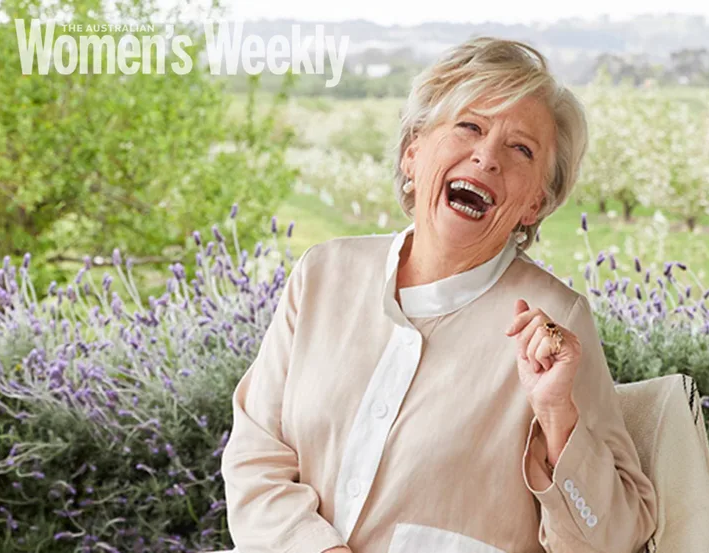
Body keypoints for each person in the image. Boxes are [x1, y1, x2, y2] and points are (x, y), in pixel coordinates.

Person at [220, 36, 658, 553]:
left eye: (521, 149)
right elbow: (254, 454)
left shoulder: (556, 323)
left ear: (535, 204)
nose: (487, 156)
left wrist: (558, 415)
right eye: (469, 125)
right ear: (414, 153)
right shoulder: (323, 273)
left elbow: (618, 534)